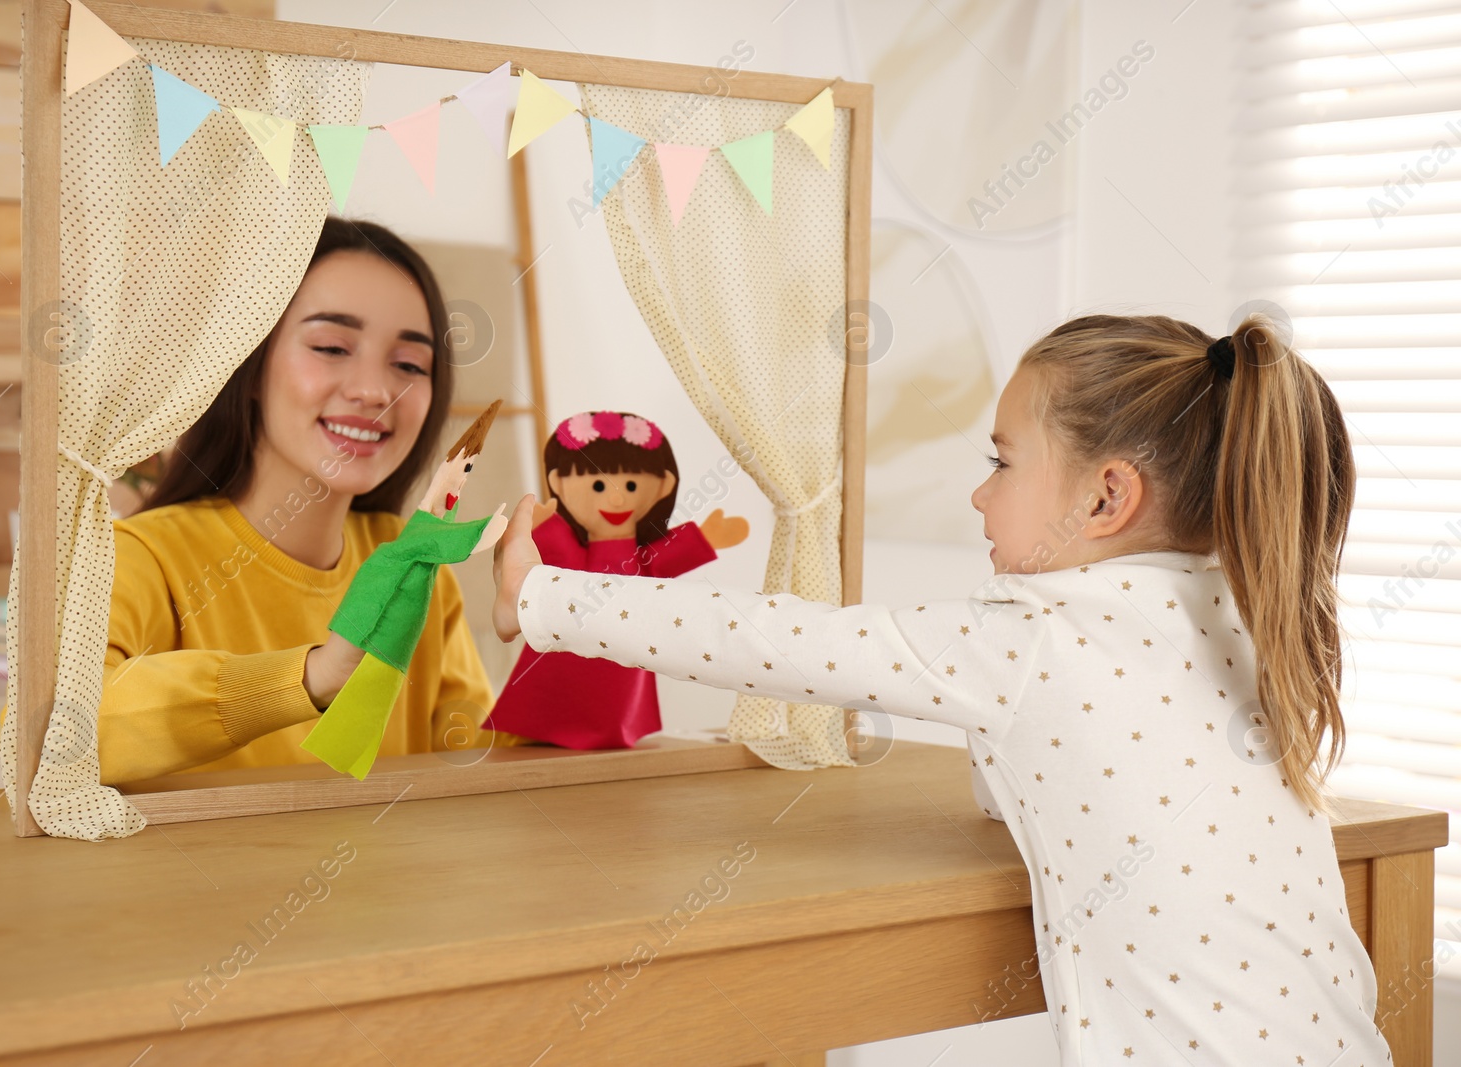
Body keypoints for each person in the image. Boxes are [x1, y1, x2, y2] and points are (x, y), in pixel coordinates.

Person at [491, 313, 1391, 1065]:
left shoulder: (1033, 640)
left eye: (1002, 463)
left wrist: (539, 593)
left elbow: (770, 640)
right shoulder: (1246, 614)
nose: (977, 496)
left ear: (1106, 497)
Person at [89, 216, 517, 785]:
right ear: (251, 363)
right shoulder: (138, 557)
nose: (375, 391)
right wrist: (311, 677)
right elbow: (64, 734)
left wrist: (559, 618)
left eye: (409, 364)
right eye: (332, 346)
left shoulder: (414, 563)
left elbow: (474, 756)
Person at [483, 410, 748, 749]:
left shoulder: (636, 560)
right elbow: (567, 564)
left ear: (662, 487)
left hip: (624, 647)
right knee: (555, 692)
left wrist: (704, 537)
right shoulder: (577, 554)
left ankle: (614, 730)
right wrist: (543, 527)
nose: (617, 498)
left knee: (615, 692)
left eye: (632, 485)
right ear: (559, 483)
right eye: (597, 485)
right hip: (565, 644)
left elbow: (652, 563)